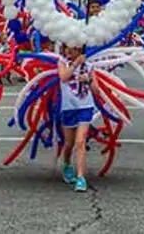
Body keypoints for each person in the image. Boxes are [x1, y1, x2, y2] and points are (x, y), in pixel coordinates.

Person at [58, 44, 95, 192]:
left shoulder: (90, 67)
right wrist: (75, 64)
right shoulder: (62, 63)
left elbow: (96, 91)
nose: (69, 51)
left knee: (80, 142)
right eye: (67, 47)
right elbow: (64, 77)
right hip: (68, 108)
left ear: (80, 50)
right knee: (69, 143)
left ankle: (80, 177)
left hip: (85, 106)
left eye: (73, 48)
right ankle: (67, 164)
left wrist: (89, 80)